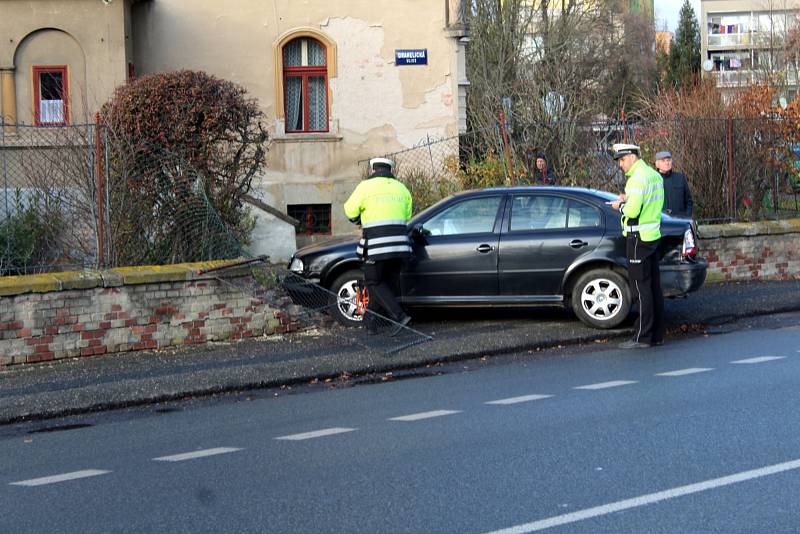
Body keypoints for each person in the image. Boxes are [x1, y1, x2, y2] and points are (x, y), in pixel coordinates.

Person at [343, 157, 413, 335]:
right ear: (390, 170)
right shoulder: (402, 188)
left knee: (373, 281)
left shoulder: (366, 187)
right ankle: (370, 322)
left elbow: (350, 210)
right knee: (382, 283)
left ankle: (399, 317)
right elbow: (407, 215)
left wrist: (359, 218)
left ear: (373, 169)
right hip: (400, 247)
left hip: (376, 246)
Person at [610, 143, 665, 349]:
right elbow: (651, 204)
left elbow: (632, 211)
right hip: (652, 236)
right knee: (653, 287)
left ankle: (642, 337)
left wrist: (620, 205)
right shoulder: (653, 175)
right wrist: (629, 200)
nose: (621, 165)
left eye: (622, 160)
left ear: (632, 156)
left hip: (638, 238)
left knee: (640, 290)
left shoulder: (636, 180)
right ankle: (657, 334)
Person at [654, 150, 693, 218]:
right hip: (661, 222)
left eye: (668, 160)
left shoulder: (680, 177)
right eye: (663, 161)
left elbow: (689, 201)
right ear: (657, 164)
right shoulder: (653, 180)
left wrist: (687, 217)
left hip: (680, 221)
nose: (667, 163)